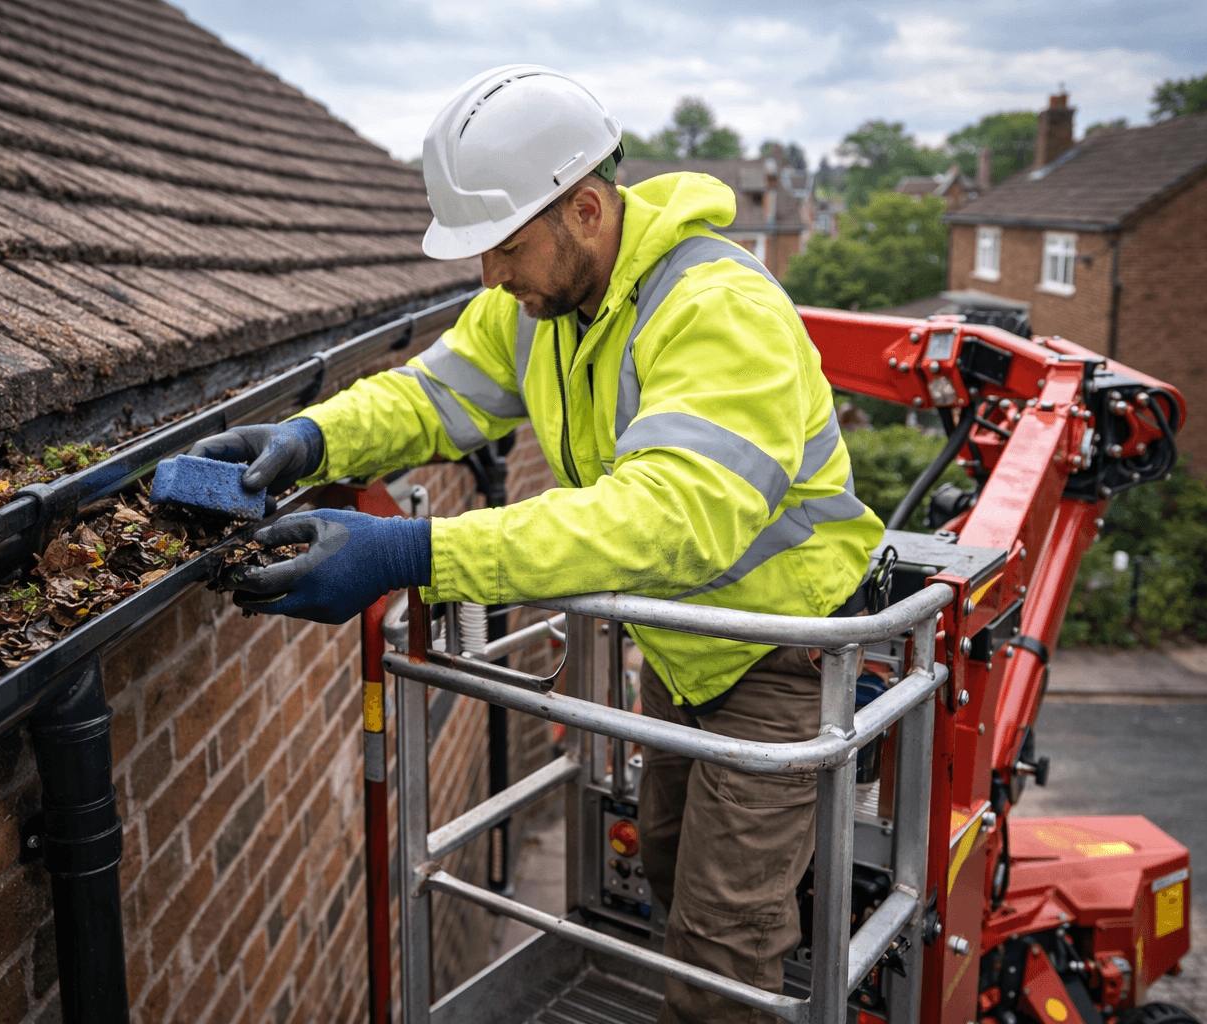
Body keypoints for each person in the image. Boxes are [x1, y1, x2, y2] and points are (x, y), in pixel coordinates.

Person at [189, 65, 884, 1024]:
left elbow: (669, 515)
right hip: (685, 652)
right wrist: (307, 438)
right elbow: (432, 394)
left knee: (722, 946)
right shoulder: (547, 307)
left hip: (780, 657)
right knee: (675, 877)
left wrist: (412, 555)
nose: (491, 278)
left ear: (588, 210)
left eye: (505, 248)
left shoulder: (716, 311)